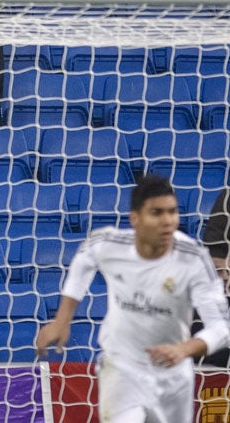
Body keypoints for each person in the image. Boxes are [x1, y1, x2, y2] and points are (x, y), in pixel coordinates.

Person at [36, 173, 230, 423]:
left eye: (172, 212)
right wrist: (62, 320)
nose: (167, 221)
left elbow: (221, 328)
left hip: (173, 377)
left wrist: (184, 349)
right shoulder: (111, 244)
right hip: (123, 370)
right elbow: (83, 260)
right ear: (135, 218)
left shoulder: (193, 260)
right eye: (156, 213)